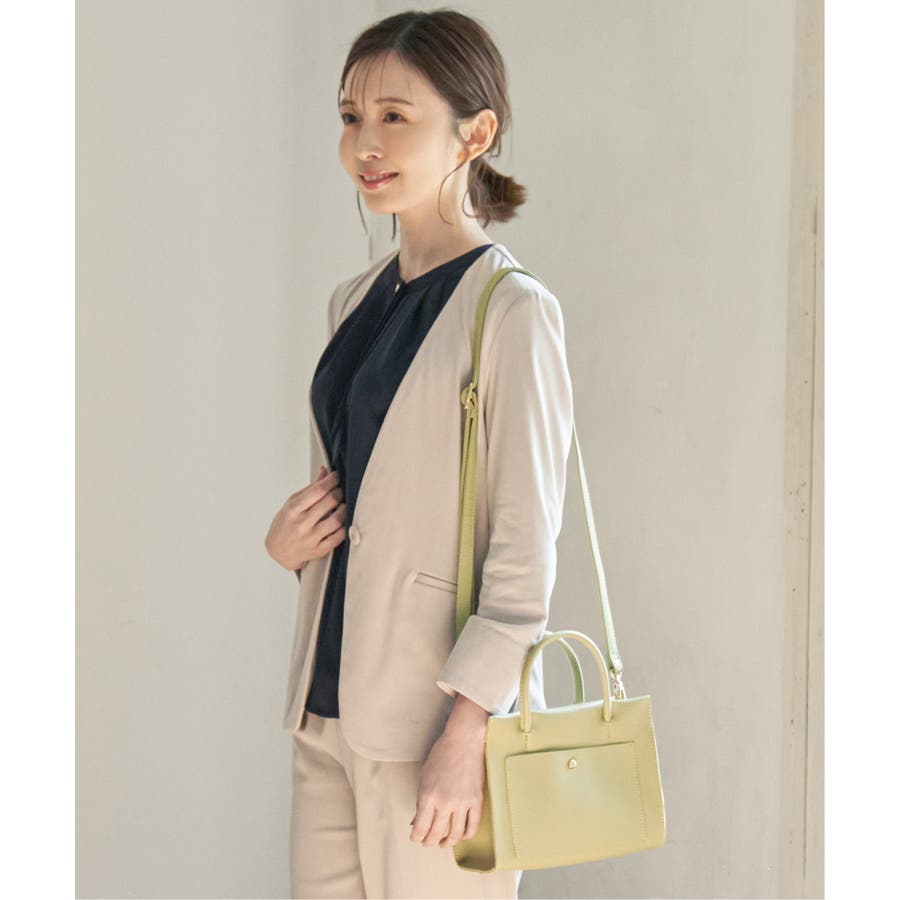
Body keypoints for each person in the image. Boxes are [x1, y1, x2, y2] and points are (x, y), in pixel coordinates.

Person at [264, 9, 574, 899]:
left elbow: (524, 552)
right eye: (351, 116)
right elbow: (369, 495)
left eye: (395, 116)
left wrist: (468, 731)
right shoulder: (352, 301)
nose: (365, 143)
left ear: (475, 133)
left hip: (432, 727)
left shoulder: (511, 311)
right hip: (327, 707)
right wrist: (292, 547)